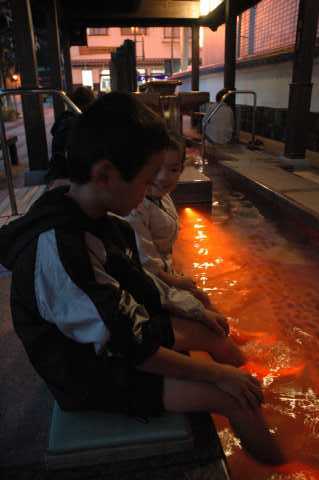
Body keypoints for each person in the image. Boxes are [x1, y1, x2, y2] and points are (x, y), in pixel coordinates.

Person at [0, 92, 284, 466]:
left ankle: (257, 385)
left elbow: (137, 280)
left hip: (113, 343)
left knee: (210, 333)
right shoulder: (58, 249)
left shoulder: (94, 215)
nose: (151, 190)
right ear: (104, 174)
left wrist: (193, 311)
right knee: (231, 398)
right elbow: (128, 345)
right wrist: (216, 375)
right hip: (87, 373)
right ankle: (282, 466)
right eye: (146, 180)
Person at [46, 86, 95, 184]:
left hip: (56, 173)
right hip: (69, 178)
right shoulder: (78, 123)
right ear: (88, 104)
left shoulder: (63, 119)